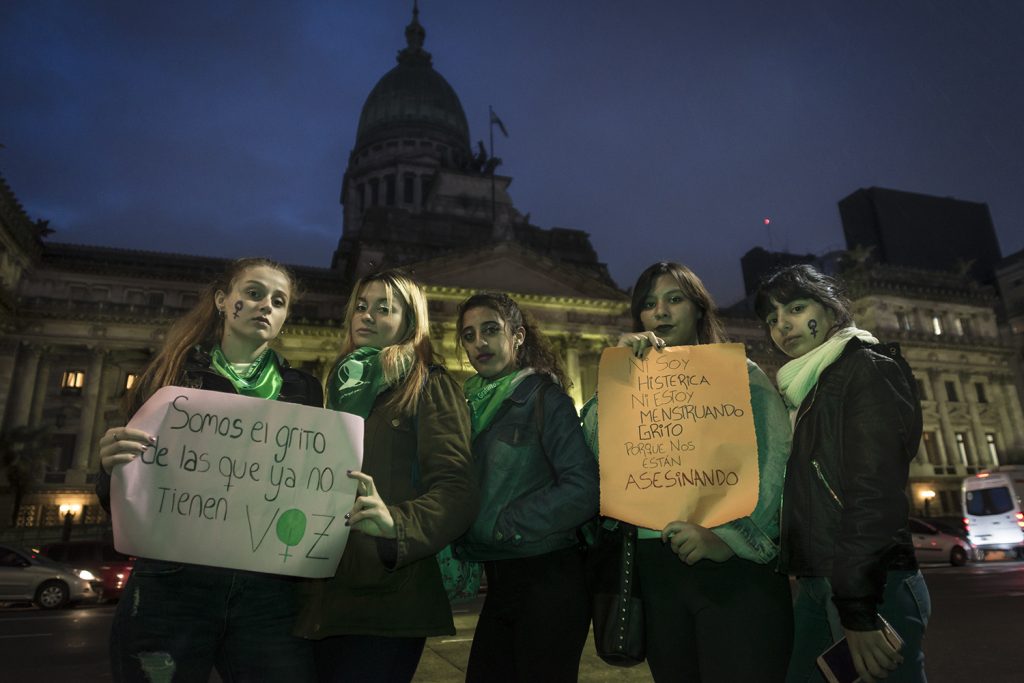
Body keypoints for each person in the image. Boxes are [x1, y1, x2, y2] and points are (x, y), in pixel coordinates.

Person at [96, 257, 322, 682]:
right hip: (173, 580)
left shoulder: (303, 389)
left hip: (267, 588)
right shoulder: (170, 376)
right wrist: (109, 467)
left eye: (278, 300)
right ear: (223, 300)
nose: (265, 306)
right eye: (252, 293)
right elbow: (125, 493)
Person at [582, 261, 794, 682]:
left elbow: (776, 467)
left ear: (699, 308)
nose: (660, 312)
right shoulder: (627, 381)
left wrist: (728, 539)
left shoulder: (741, 375)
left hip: (733, 572)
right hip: (653, 570)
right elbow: (593, 448)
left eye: (674, 299)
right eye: (648, 304)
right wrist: (621, 372)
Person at [293, 269, 478, 683]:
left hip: (386, 594)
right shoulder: (337, 385)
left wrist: (397, 526)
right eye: (361, 306)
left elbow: (457, 488)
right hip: (321, 594)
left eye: (383, 309)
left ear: (409, 322)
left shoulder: (430, 385)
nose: (367, 316)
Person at [755, 264, 929, 683]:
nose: (783, 326)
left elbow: (873, 495)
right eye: (772, 319)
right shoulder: (807, 386)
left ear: (832, 311)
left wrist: (857, 609)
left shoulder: (866, 368)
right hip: (823, 582)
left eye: (796, 308)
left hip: (872, 587)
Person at [454, 292, 599, 682]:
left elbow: (584, 488)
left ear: (517, 337)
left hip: (548, 577)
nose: (479, 343)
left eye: (490, 330)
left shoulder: (544, 398)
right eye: (468, 335)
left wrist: (508, 522)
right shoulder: (466, 403)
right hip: (501, 577)